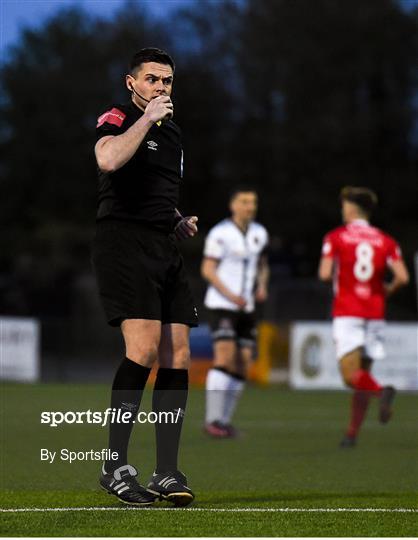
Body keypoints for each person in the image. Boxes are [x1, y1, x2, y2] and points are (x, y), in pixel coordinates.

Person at [92, 48, 199, 506]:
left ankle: (166, 472)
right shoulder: (118, 117)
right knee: (143, 350)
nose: (161, 87)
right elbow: (109, 161)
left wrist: (176, 219)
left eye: (168, 81)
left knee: (178, 355)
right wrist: (146, 118)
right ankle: (113, 465)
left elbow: (153, 189)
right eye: (152, 79)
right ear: (131, 83)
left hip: (163, 245)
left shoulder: (171, 132)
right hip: (124, 243)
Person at [318, 186, 409, 448]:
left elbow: (325, 274)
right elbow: (402, 277)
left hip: (348, 311)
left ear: (350, 208)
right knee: (362, 376)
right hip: (375, 313)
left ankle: (382, 392)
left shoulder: (336, 237)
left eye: (344, 205)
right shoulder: (386, 240)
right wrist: (386, 291)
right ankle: (351, 434)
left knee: (350, 376)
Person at [201, 187, 269, 438]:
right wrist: (231, 295)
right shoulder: (221, 233)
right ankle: (212, 420)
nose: (250, 206)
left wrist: (261, 285)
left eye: (253, 201)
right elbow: (208, 269)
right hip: (222, 305)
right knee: (225, 357)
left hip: (247, 307)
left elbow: (262, 265)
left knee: (244, 363)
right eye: (244, 201)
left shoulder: (260, 233)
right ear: (233, 205)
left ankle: (225, 422)